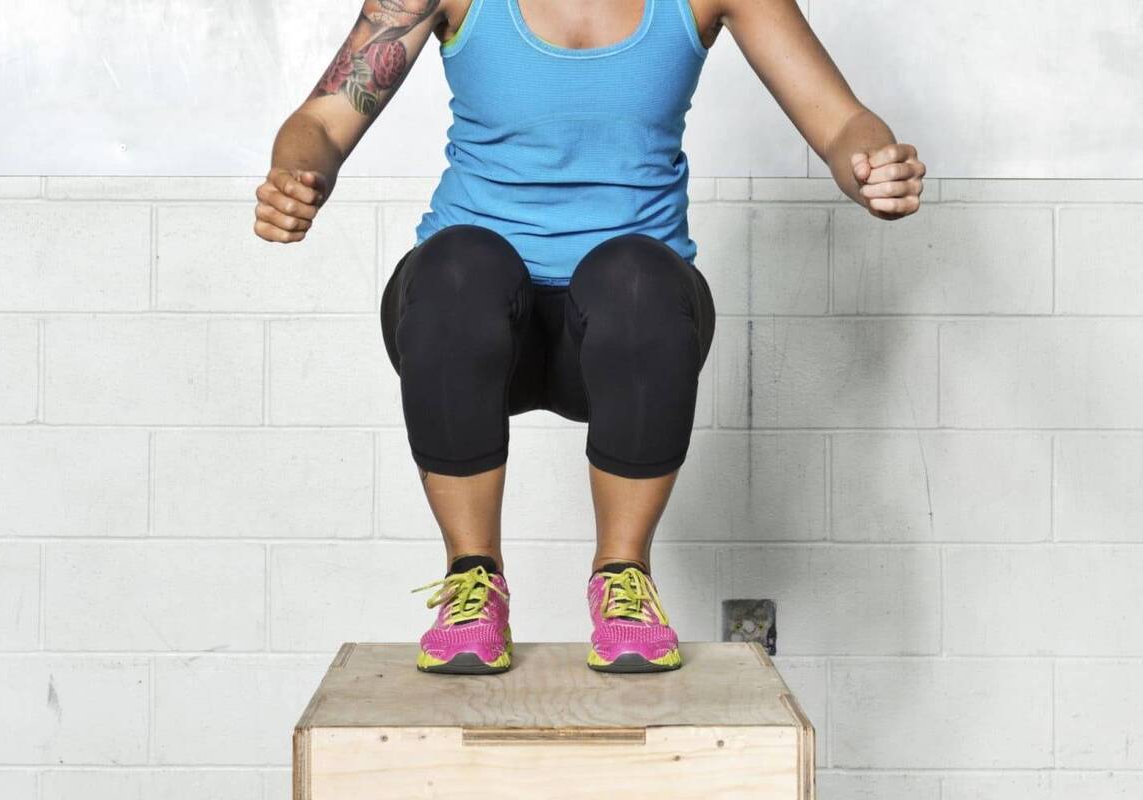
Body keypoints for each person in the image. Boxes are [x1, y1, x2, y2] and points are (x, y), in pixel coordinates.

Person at [254, 0, 925, 675]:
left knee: (634, 275)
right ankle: (472, 582)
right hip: (466, 319)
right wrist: (297, 176)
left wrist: (871, 164)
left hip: (634, 325)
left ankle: (623, 583)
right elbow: (320, 123)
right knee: (461, 266)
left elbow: (842, 121)